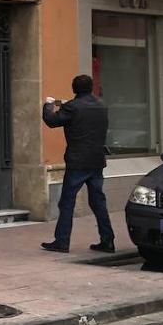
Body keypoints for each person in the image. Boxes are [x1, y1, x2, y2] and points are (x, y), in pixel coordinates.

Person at [41, 74, 115, 254]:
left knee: (67, 202)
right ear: (91, 88)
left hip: (77, 162)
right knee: (98, 202)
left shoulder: (72, 107)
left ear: (74, 88)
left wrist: (48, 105)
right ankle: (108, 240)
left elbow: (52, 121)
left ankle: (62, 242)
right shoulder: (101, 106)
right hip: (96, 161)